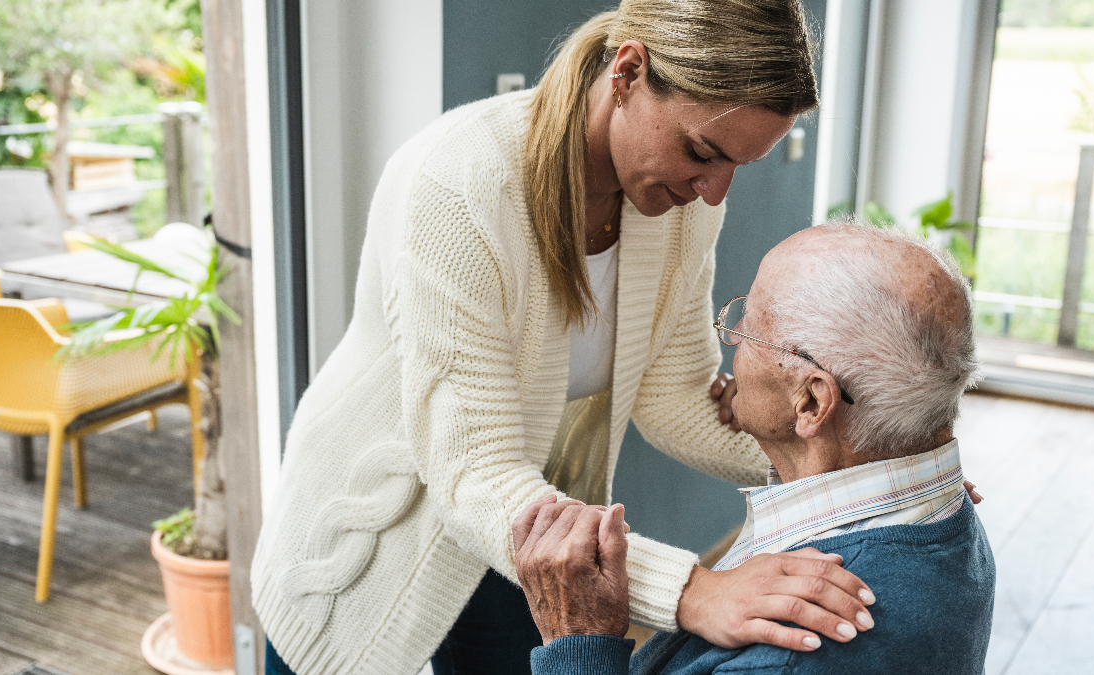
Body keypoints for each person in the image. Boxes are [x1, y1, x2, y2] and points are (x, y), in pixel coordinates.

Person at [253, 2, 882, 674]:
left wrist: (853, 460)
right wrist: (693, 591)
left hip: (532, 525)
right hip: (381, 529)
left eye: (738, 164)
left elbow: (675, 397)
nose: (713, 191)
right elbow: (474, 470)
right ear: (628, 72)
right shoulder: (459, 184)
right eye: (703, 152)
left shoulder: (678, 206)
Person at [514, 222, 996, 675]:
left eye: (747, 330)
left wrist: (578, 643)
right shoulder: (944, 514)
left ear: (811, 402)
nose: (730, 342)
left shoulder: (790, 651)